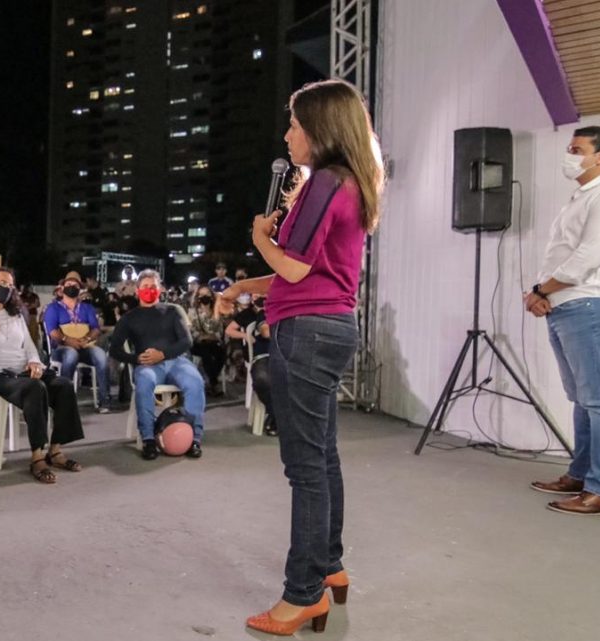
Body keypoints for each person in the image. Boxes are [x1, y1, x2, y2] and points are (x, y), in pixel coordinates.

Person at [221, 79, 382, 635]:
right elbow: (306, 275)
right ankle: (330, 567)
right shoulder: (349, 184)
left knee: (305, 468)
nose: (288, 134)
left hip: (307, 334)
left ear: (320, 128)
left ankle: (302, 594)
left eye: (294, 124)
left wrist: (261, 236)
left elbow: (291, 269)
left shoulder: (323, 185)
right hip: (329, 325)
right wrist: (243, 289)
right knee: (323, 457)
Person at [526, 126, 600, 517]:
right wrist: (545, 294)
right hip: (568, 304)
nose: (569, 156)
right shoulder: (581, 198)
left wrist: (541, 289)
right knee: (582, 399)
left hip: (593, 303)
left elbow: (588, 257)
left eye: (577, 150)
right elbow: (564, 255)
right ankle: (582, 475)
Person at [0, 267, 84, 484]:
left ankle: (55, 450)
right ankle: (37, 457)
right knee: (35, 388)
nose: (7, 289)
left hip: (22, 369)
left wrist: (35, 362)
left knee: (62, 385)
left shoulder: (15, 315)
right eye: (2, 283)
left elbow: (29, 347)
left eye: (10, 285)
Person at [109, 269, 205, 460]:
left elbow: (186, 341)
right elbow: (114, 349)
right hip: (148, 365)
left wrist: (163, 354)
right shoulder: (129, 318)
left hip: (176, 361)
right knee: (144, 383)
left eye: (153, 286)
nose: (150, 290)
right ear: (137, 290)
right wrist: (136, 359)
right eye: (145, 287)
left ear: (160, 288)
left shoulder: (171, 311)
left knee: (195, 382)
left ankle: (194, 438)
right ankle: (148, 439)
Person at [44, 271, 112, 412]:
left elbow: (96, 329)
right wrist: (68, 340)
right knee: (71, 354)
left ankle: (105, 400)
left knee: (101, 355)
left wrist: (86, 339)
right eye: (68, 284)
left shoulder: (87, 308)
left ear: (80, 288)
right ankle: (63, 399)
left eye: (75, 285)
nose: (71, 286)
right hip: (61, 349)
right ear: (62, 288)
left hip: (84, 346)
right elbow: (52, 332)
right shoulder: (53, 308)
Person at [226, 295, 275, 436]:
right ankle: (277, 416)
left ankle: (278, 417)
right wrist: (246, 336)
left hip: (283, 355)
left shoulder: (281, 308)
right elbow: (265, 332)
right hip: (262, 356)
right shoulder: (260, 313)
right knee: (262, 380)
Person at [187, 285, 226, 397]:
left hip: (213, 342)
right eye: (202, 295)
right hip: (198, 343)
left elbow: (219, 330)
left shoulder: (216, 311)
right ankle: (213, 383)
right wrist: (202, 336)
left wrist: (211, 336)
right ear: (198, 297)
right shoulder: (192, 312)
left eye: (207, 295)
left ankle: (210, 382)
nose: (205, 297)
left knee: (221, 353)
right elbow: (191, 330)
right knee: (206, 353)